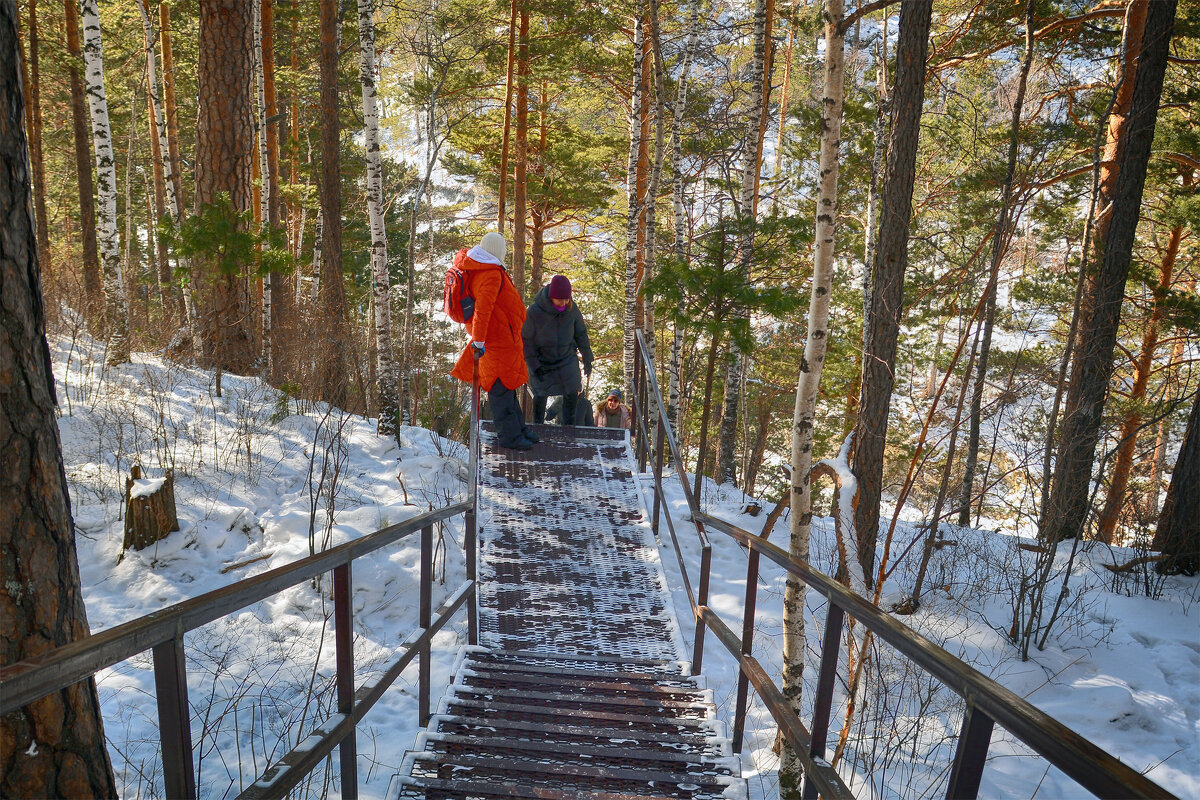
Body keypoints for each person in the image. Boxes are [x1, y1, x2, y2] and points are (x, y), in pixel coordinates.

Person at [450, 233, 540, 450]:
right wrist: (478, 341)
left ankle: (518, 429)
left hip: (501, 338)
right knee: (500, 390)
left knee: (507, 386)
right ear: (498, 251)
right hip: (495, 341)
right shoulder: (489, 273)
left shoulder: (483, 268)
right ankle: (510, 437)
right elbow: (483, 310)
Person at [522, 275, 594, 426]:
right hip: (542, 360)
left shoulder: (572, 309)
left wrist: (587, 359)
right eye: (560, 299)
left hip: (566, 358)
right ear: (551, 296)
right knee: (540, 393)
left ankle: (569, 428)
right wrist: (534, 366)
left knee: (572, 390)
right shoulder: (535, 311)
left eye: (567, 299)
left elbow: (581, 334)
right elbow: (526, 341)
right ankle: (538, 427)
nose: (564, 302)